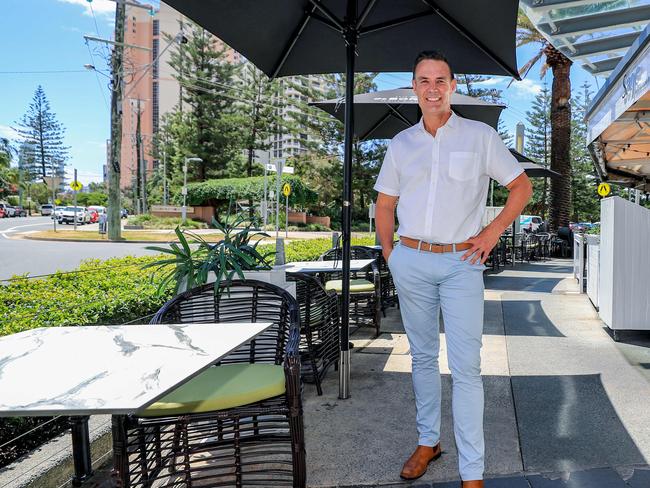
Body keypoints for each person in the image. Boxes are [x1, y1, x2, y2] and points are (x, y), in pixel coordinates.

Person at [373, 51, 532, 488]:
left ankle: (472, 474)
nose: (432, 88)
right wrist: (391, 255)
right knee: (422, 358)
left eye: (440, 79)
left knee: (466, 368)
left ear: (453, 85)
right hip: (411, 260)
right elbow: (385, 203)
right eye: (423, 80)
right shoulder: (401, 144)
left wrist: (494, 231)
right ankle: (429, 442)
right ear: (414, 88)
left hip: (463, 263)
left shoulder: (480, 136)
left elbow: (521, 186)